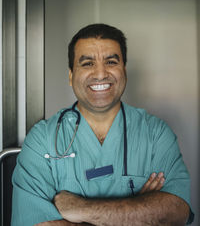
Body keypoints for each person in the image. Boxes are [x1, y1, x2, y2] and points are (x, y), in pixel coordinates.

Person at [12, 24, 194, 226]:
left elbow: (176, 211)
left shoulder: (155, 134)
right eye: (87, 63)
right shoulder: (43, 140)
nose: (100, 74)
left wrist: (81, 209)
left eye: (111, 61)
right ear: (71, 76)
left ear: (124, 70)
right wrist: (137, 211)